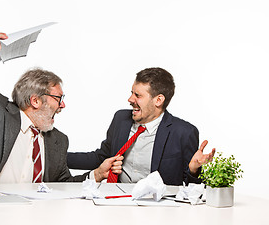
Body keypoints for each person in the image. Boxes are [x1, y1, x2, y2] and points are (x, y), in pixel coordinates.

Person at [0, 33, 114, 188]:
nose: (62, 106)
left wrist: (96, 175)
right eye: (58, 99)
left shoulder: (58, 141)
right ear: (35, 100)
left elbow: (62, 187)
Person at [67, 67, 215, 185]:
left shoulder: (184, 132)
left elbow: (192, 188)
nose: (130, 99)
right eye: (132, 93)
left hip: (159, 209)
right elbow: (101, 157)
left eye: (138, 95)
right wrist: (56, 158)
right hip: (118, 202)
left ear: (158, 100)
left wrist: (194, 170)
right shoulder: (121, 119)